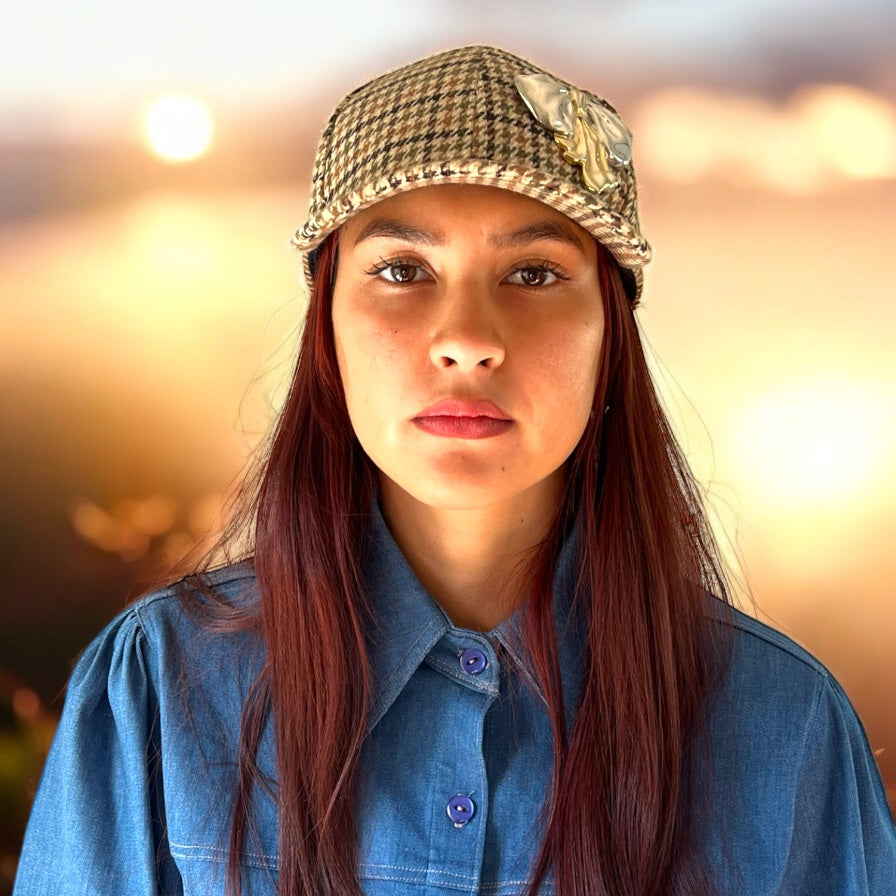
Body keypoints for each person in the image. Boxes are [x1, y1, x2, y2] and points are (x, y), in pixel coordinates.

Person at [13, 45, 896, 896]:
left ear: (610, 337)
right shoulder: (158, 692)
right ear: (326, 331)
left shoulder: (788, 725)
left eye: (534, 273)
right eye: (402, 269)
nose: (468, 339)